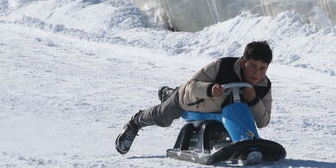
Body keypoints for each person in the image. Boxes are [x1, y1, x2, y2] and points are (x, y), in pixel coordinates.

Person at [115, 41, 273, 154]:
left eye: (262, 68)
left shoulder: (263, 86)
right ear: (244, 62)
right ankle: (135, 122)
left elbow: (263, 121)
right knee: (163, 117)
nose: (256, 73)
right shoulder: (223, 66)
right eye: (252, 66)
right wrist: (210, 89)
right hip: (190, 102)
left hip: (223, 113)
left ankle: (168, 93)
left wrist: (253, 100)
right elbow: (191, 85)